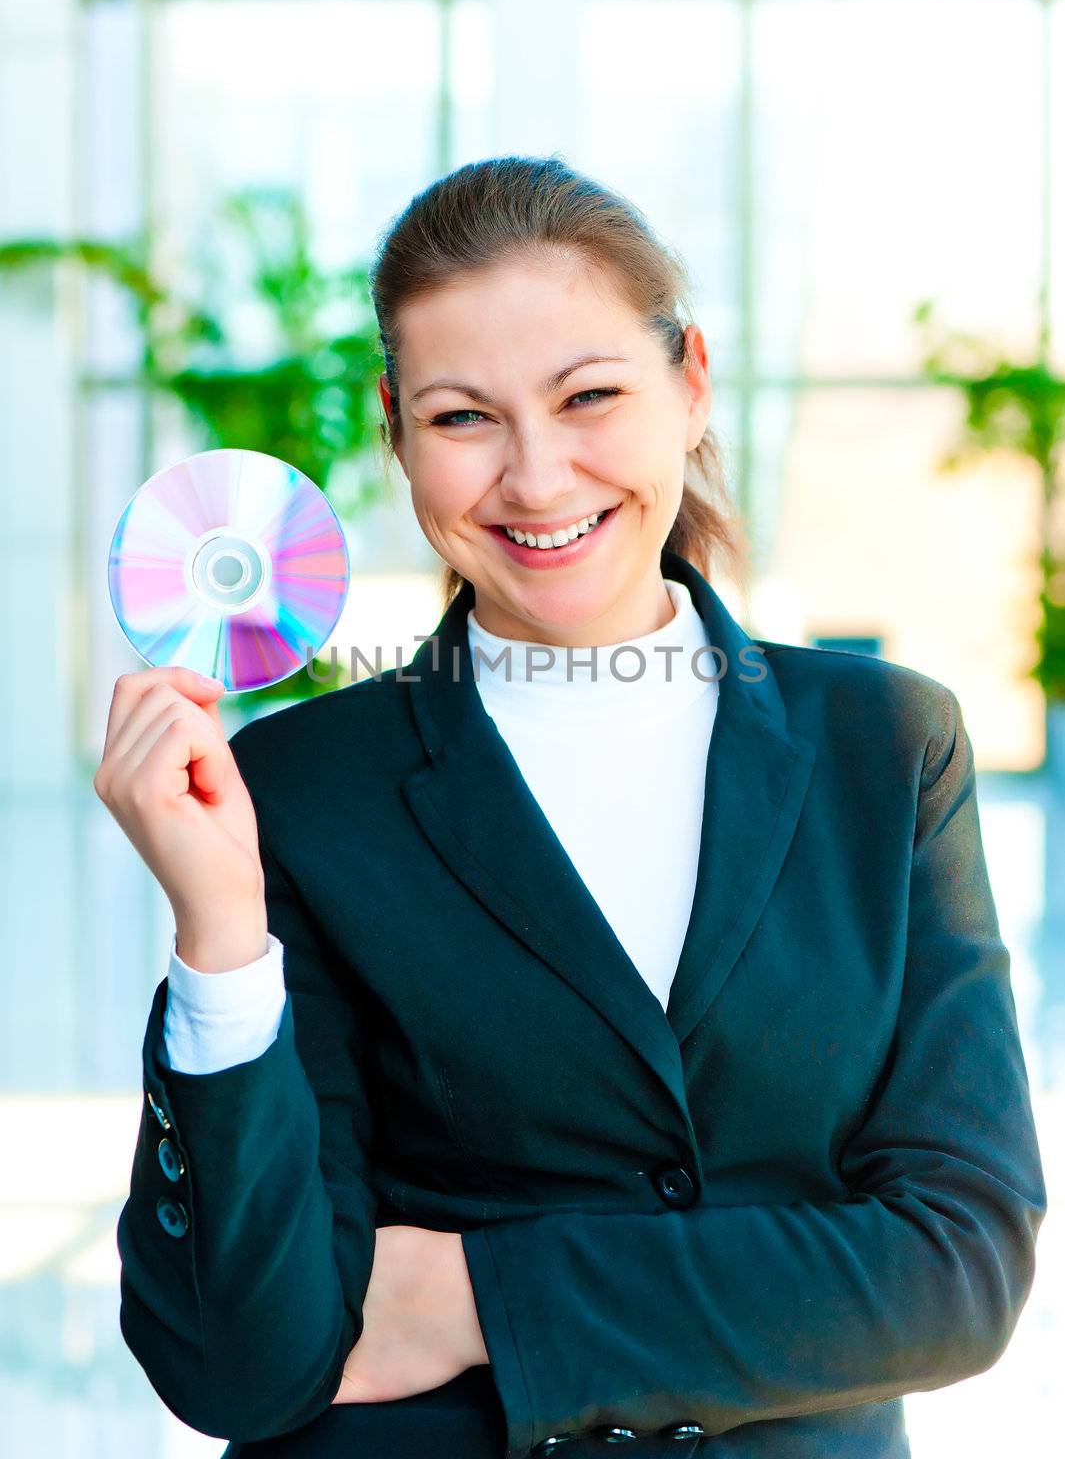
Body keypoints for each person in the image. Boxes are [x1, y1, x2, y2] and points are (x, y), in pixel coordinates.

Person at [95, 156, 1047, 1459]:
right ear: (396, 429)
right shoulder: (300, 791)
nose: (536, 481)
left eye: (588, 396)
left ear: (690, 384)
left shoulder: (885, 746)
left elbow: (955, 1270)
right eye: (461, 418)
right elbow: (242, 1365)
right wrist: (220, 943)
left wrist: (477, 1293)